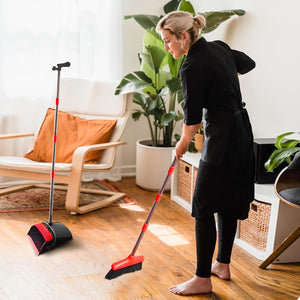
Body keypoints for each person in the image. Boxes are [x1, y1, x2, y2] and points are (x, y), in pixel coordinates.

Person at [156, 11, 256, 295]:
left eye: (168, 41)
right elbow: (248, 63)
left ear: (184, 36)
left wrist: (183, 143)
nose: (167, 47)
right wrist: (225, 76)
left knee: (203, 205)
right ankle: (222, 264)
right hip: (241, 131)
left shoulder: (192, 65)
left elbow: (192, 119)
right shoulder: (219, 48)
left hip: (222, 137)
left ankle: (202, 278)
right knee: (226, 200)